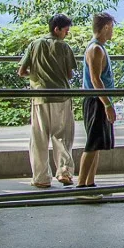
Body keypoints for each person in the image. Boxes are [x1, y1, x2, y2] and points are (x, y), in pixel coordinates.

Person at [17, 13, 77, 189]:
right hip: (61, 97)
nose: (67, 34)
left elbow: (21, 71)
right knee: (63, 136)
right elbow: (69, 74)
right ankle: (64, 172)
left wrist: (35, 78)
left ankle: (41, 177)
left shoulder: (34, 45)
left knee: (39, 137)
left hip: (39, 96)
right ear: (57, 29)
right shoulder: (64, 47)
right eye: (66, 30)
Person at [78, 12, 116, 189]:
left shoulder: (99, 47)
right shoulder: (95, 49)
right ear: (106, 27)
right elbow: (95, 80)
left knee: (98, 143)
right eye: (112, 28)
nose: (113, 32)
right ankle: (81, 185)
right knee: (92, 144)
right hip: (96, 100)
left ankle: (90, 182)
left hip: (98, 99)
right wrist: (107, 104)